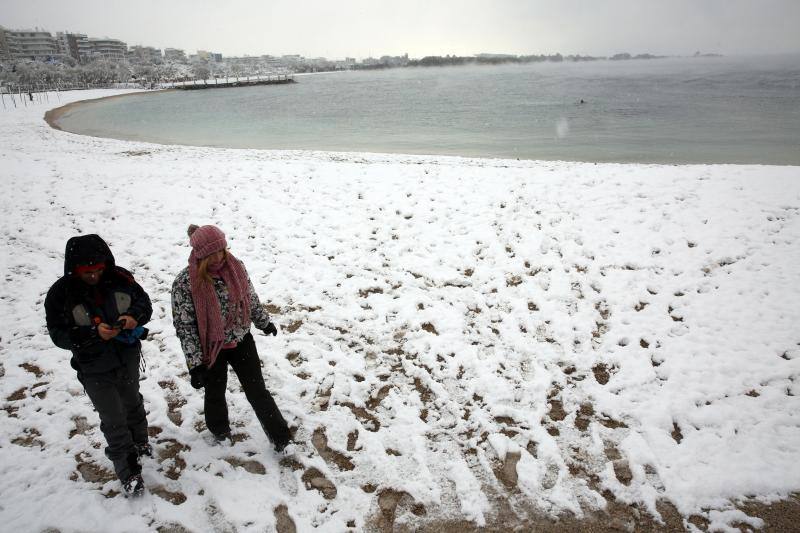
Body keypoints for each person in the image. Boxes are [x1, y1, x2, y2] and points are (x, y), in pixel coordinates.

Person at [44, 234, 153, 496]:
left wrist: (132, 318)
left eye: (97, 270)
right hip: (93, 367)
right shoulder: (61, 295)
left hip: (126, 356)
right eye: (86, 272)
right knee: (113, 418)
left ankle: (140, 443)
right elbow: (58, 335)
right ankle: (129, 472)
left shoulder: (121, 279)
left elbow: (144, 304)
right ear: (75, 270)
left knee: (132, 403)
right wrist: (93, 333)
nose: (93, 276)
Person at [171, 224, 290, 451]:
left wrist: (263, 322)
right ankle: (219, 430)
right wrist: (195, 364)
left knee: (257, 390)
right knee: (215, 392)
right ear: (200, 255)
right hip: (211, 348)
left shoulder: (236, 268)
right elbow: (185, 326)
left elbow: (250, 297)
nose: (219, 256)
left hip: (241, 340)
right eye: (212, 253)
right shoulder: (186, 283)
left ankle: (281, 438)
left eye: (222, 250)